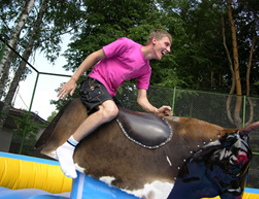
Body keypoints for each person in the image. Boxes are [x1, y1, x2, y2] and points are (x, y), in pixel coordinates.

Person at [57, 29, 173, 178]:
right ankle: (67, 146)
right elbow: (95, 56)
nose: (168, 50)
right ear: (154, 40)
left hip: (108, 93)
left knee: (123, 123)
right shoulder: (127, 45)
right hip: (94, 82)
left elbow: (141, 99)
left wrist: (156, 111)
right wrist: (73, 79)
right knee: (111, 110)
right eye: (167, 44)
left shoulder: (146, 70)